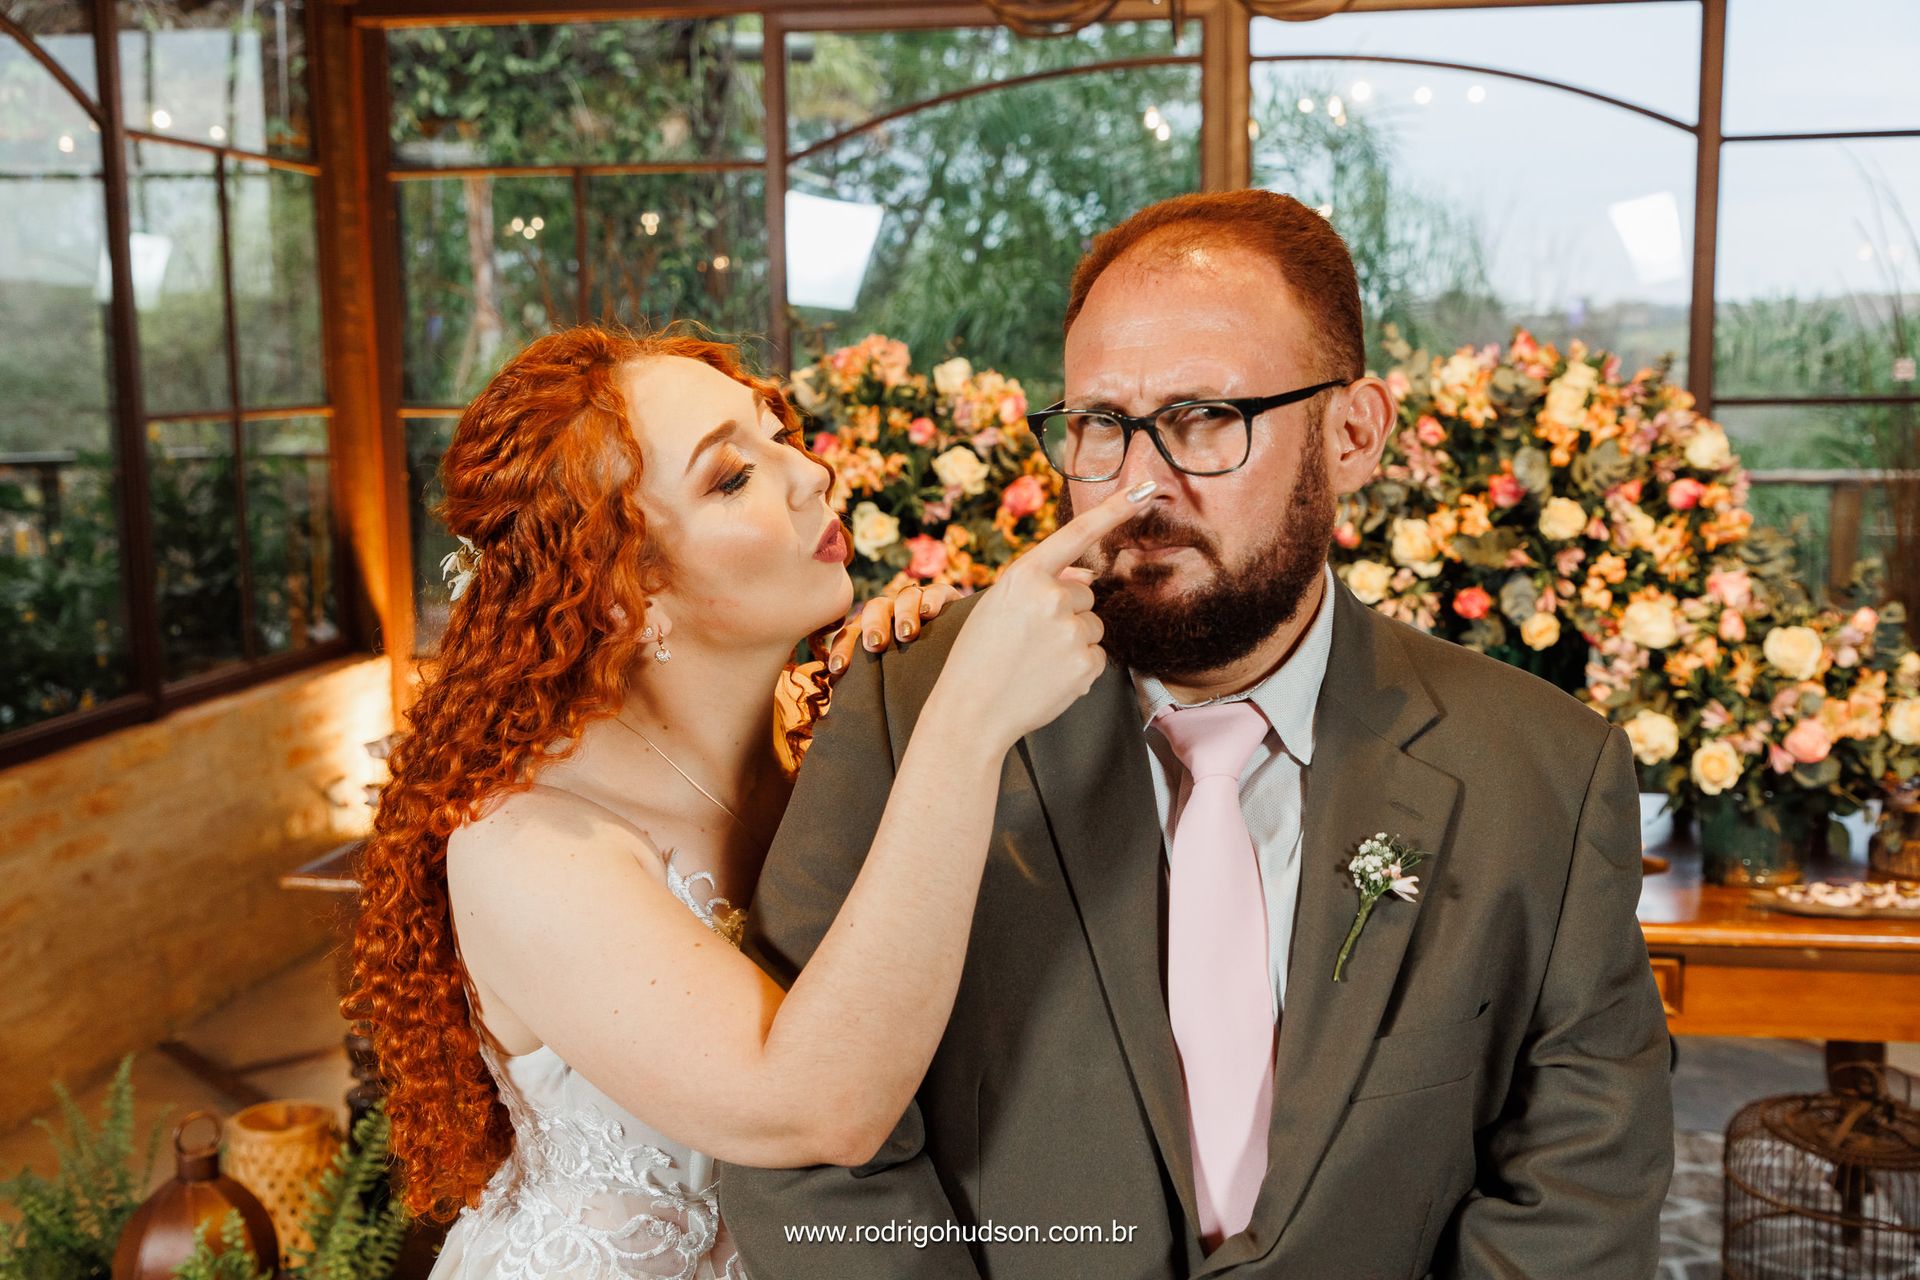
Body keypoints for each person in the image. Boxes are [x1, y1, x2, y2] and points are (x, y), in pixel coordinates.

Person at [717, 189, 1675, 1280]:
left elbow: (1578, 1189)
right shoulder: (909, 708)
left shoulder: (1544, 769)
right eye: (1100, 425)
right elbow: (810, 1162)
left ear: (1354, 433)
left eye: (1205, 419)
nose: (1137, 487)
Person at [344, 324, 1153, 1279]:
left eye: (778, 435)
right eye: (731, 477)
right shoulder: (527, 843)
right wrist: (962, 725)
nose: (809, 474)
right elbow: (820, 1106)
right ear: (619, 592)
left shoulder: (827, 727)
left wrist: (916, 683)